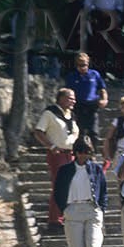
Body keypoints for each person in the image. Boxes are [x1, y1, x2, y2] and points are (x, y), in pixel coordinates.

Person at [54, 137, 108, 247]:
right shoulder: (65, 170)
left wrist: (101, 209)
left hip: (92, 209)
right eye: (81, 152)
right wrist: (64, 209)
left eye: (88, 152)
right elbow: (58, 192)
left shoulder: (96, 169)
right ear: (75, 153)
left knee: (93, 246)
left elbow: (103, 191)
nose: (84, 156)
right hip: (73, 209)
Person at [34, 86, 78, 230]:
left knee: (70, 187)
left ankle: (65, 217)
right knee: (59, 186)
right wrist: (51, 146)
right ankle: (54, 220)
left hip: (70, 155)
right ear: (61, 98)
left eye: (74, 98)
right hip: (57, 155)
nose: (74, 101)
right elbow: (39, 131)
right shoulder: (50, 113)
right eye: (70, 98)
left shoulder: (71, 115)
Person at [82, 0, 124, 81]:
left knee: (116, 47)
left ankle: (118, 75)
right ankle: (99, 74)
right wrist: (95, 12)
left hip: (112, 18)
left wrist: (114, 15)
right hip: (98, 18)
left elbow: (120, 4)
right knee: (98, 47)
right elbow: (88, 2)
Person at [65, 52, 108, 148]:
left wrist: (104, 100)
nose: (82, 67)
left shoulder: (95, 74)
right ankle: (79, 152)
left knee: (94, 132)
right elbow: (67, 92)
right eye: (79, 65)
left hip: (92, 106)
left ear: (88, 63)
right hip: (78, 106)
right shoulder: (71, 76)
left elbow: (102, 90)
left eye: (84, 65)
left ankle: (93, 153)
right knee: (79, 132)